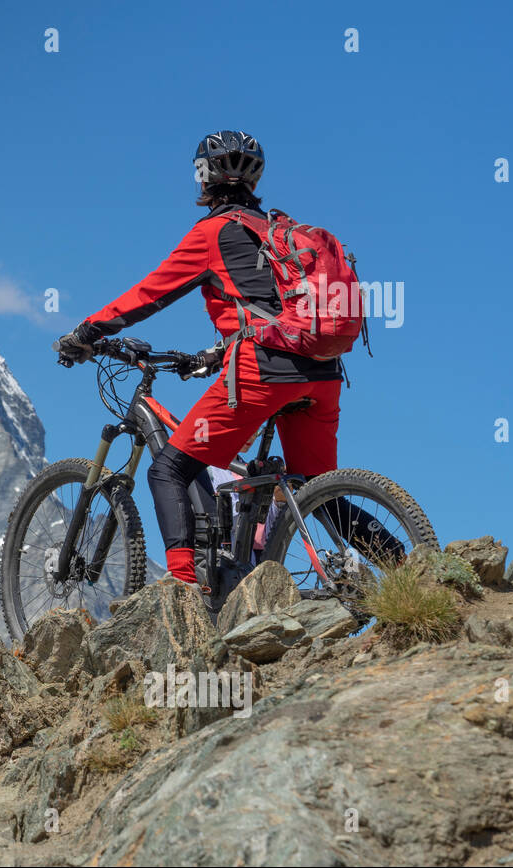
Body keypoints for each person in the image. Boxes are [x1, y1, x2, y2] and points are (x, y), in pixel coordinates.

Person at [55, 131, 345, 586]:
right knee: (320, 494)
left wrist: (87, 332)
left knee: (168, 468)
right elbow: (271, 309)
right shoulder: (277, 231)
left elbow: (149, 295)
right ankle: (411, 568)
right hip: (322, 372)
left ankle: (183, 592)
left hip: (264, 371)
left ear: (203, 178)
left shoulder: (213, 233)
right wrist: (213, 356)